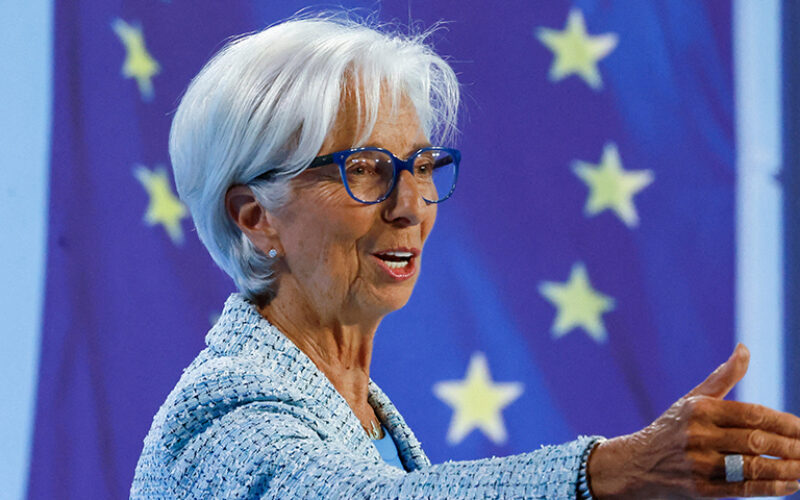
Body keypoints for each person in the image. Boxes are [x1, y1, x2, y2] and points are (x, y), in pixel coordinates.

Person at [131, 15, 800, 499]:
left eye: (421, 165)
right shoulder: (222, 412)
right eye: (364, 169)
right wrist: (610, 471)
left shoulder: (364, 414)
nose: (410, 205)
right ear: (254, 217)